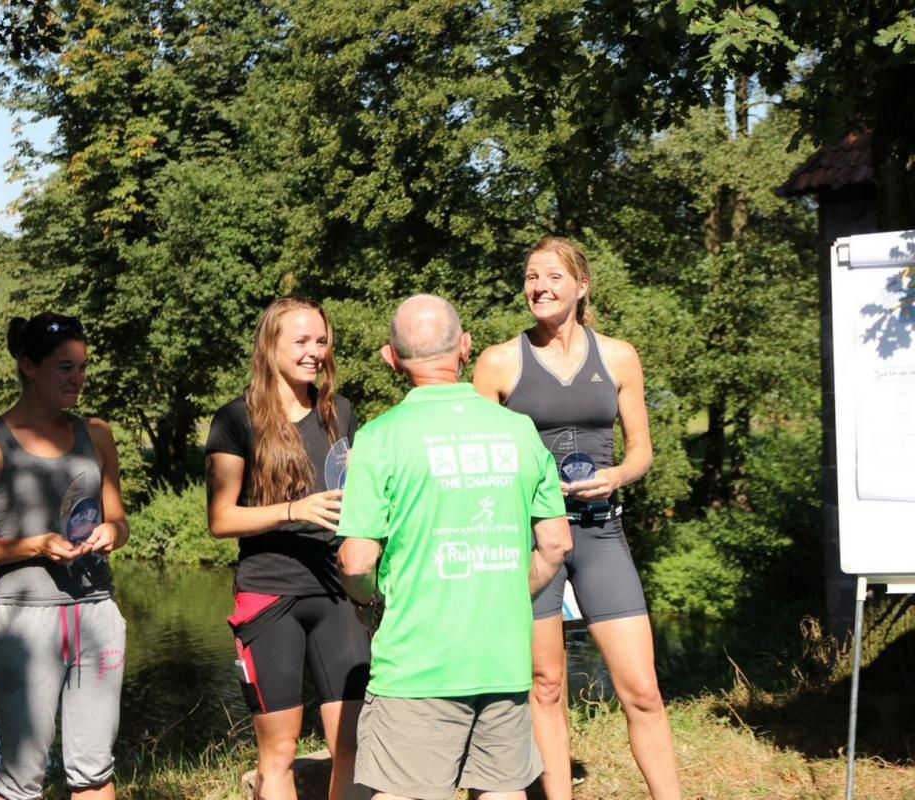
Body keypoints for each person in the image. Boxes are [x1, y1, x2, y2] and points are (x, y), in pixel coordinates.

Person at [338, 294, 572, 800]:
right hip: (503, 657)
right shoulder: (519, 429)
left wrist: (369, 600)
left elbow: (356, 560)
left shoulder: (380, 439)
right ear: (466, 347)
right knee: (505, 789)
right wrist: (508, 594)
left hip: (418, 664)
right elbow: (555, 545)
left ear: (390, 357)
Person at [473, 237, 682, 799]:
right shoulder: (498, 362)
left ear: (582, 286)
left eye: (553, 277)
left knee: (641, 688)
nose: (539, 286)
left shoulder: (618, 356)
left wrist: (614, 476)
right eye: (531, 276)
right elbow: (479, 460)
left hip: (599, 531)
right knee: (545, 685)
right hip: (532, 541)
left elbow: (641, 450)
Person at [0, 312, 130, 800]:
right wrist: (34, 545)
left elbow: (121, 521)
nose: (78, 378)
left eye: (83, 367)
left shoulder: (98, 434)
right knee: (23, 775)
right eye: (64, 367)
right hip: (26, 623)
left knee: (95, 769)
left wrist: (113, 530)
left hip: (97, 612)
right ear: (28, 366)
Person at [205, 296, 371, 800]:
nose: (313, 352)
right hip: (269, 596)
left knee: (352, 743)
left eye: (321, 341)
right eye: (300, 341)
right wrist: (293, 510)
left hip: (337, 595)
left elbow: (361, 500)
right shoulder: (236, 419)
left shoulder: (340, 413)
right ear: (269, 345)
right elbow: (220, 519)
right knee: (279, 753)